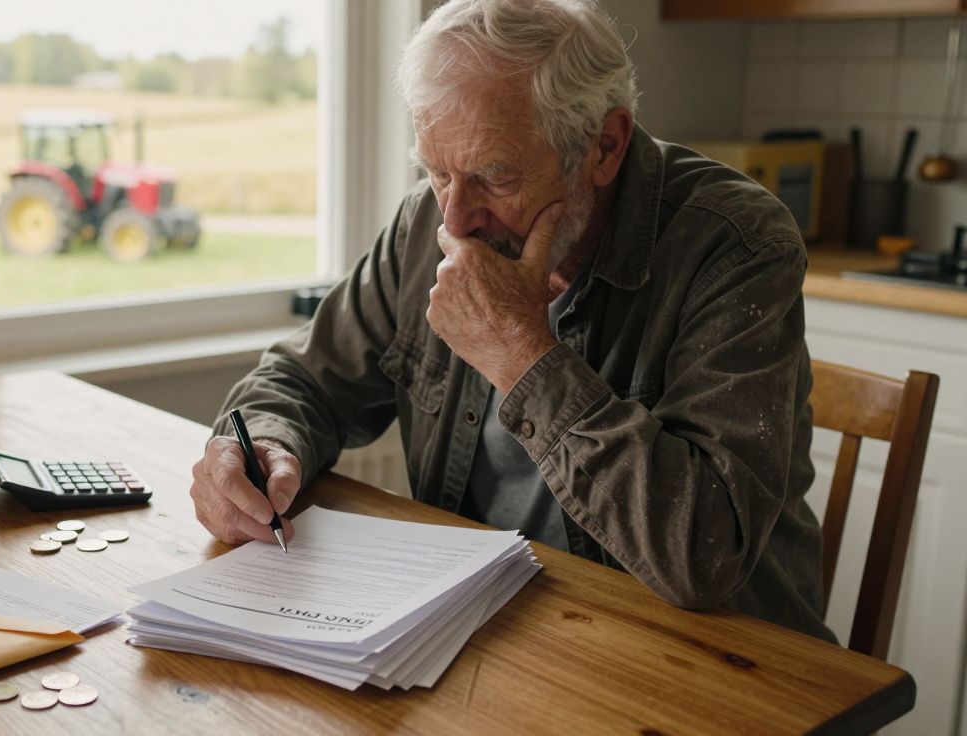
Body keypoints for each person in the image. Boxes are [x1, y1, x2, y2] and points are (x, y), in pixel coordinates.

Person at [188, 0, 835, 643]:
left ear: (604, 147)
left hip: (715, 655)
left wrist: (523, 353)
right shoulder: (426, 222)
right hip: (497, 627)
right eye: (437, 172)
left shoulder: (736, 242)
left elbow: (704, 554)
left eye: (494, 176)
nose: (456, 219)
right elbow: (302, 380)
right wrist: (263, 446)